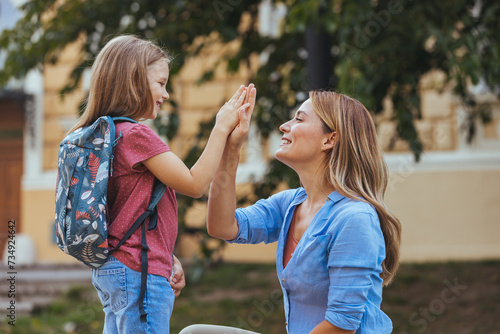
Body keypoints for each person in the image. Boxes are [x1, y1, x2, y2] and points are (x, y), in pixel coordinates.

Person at [68, 35, 254, 334]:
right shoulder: (136, 136)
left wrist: (165, 256)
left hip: (113, 268)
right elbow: (194, 185)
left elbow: (126, 213)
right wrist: (221, 128)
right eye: (161, 83)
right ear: (134, 82)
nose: (165, 94)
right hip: (138, 271)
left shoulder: (103, 135)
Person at [206, 90, 402, 334]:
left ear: (329, 140)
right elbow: (223, 226)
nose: (283, 126)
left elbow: (341, 325)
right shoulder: (291, 204)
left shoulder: (354, 219)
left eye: (298, 119)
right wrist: (231, 148)